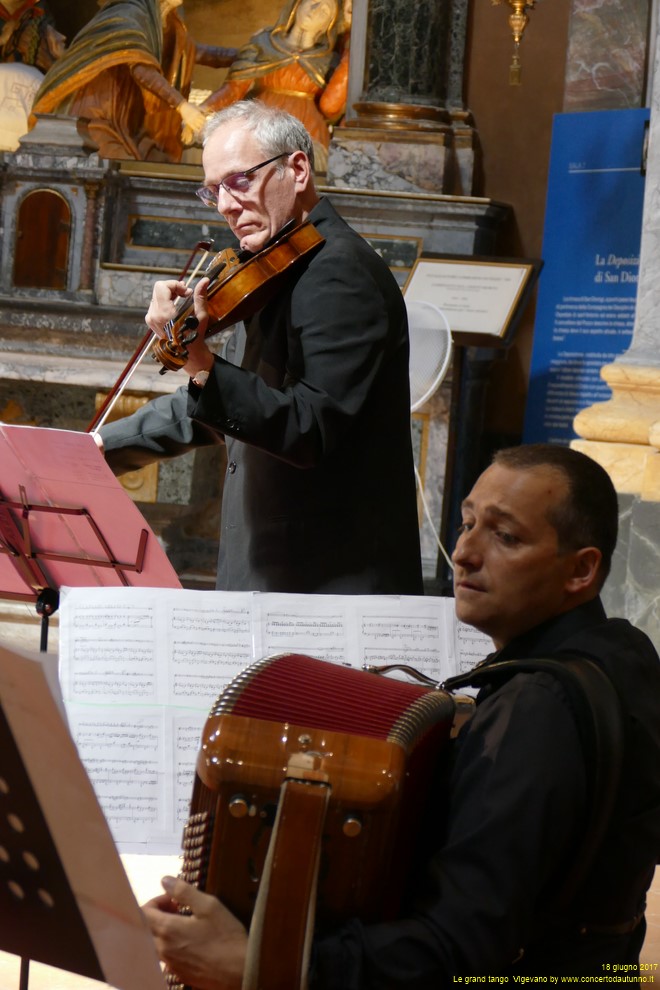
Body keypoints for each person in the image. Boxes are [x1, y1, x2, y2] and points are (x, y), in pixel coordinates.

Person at [141, 443, 660, 984]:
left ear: (581, 571)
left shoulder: (534, 710)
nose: (464, 553)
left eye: (505, 536)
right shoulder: (626, 654)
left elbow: (458, 949)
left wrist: (259, 965)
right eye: (466, 523)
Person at [99, 99, 423, 595]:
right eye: (213, 191)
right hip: (275, 581)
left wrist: (200, 361)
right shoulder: (271, 268)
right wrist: (98, 449)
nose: (227, 204)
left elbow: (308, 427)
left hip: (327, 587)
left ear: (296, 168)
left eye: (239, 180)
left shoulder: (339, 272)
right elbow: (220, 405)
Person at [29, 0, 236, 161]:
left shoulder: (165, 22)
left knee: (155, 162)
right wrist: (182, 107)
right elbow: (140, 67)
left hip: (128, 119)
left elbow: (192, 52)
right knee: (119, 166)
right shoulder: (129, 13)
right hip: (98, 114)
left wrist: (248, 55)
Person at [200, 0, 351, 172]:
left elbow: (331, 107)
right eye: (313, 2)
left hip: (308, 134)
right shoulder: (263, 44)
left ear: (327, 26)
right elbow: (233, 89)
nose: (316, 11)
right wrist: (202, 110)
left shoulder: (329, 62)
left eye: (325, 12)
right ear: (297, 6)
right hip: (258, 125)